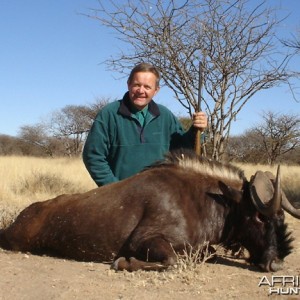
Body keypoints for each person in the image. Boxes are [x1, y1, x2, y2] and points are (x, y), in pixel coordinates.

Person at [83, 63, 207, 186]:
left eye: (147, 87)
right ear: (128, 85)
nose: (141, 91)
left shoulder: (165, 115)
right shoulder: (108, 114)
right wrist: (114, 188)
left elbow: (183, 150)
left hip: (159, 196)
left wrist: (196, 130)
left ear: (156, 90)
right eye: (137, 85)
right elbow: (93, 156)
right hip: (119, 197)